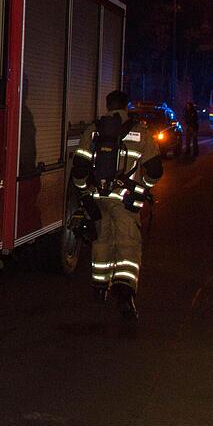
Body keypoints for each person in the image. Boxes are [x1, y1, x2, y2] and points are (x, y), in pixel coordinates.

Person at [71, 90, 163, 319]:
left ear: (107, 105)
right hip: (124, 201)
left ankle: (100, 289)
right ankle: (125, 294)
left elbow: (80, 168)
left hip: (98, 198)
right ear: (126, 106)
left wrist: (84, 194)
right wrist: (141, 191)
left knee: (101, 241)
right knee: (127, 244)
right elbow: (155, 171)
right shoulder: (140, 132)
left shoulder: (93, 131)